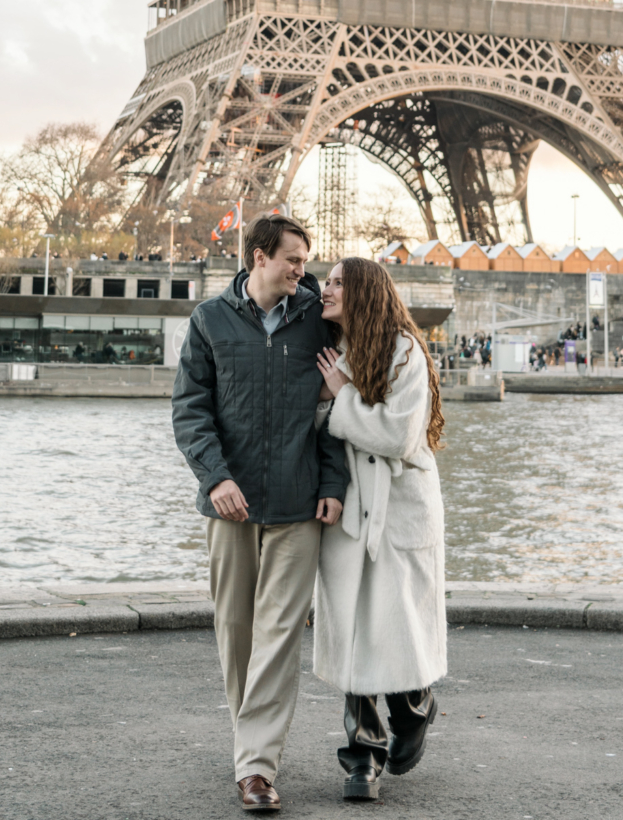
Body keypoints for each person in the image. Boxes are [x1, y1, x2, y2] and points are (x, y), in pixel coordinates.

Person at [172, 214, 348, 812]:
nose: (304, 272)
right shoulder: (209, 320)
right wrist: (214, 477)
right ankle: (251, 743)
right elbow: (189, 410)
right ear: (258, 256)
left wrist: (333, 482)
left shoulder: (316, 326)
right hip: (231, 505)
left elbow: (332, 416)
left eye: (306, 260)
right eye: (294, 260)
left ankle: (255, 767)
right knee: (237, 634)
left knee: (278, 637)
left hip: (299, 504)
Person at [313, 256, 446, 802]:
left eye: (339, 282)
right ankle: (362, 755)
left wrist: (341, 396)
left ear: (365, 291)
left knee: (401, 620)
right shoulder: (325, 350)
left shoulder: (406, 352)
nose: (327, 287)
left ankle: (414, 706)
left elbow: (396, 434)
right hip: (347, 503)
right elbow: (314, 424)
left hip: (399, 508)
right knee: (353, 626)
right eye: (327, 279)